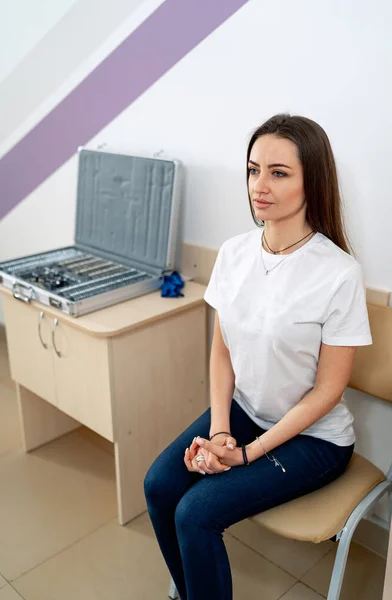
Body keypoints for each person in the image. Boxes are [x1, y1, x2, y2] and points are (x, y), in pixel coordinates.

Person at [144, 113, 372, 600]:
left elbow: (329, 391)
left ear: (314, 179)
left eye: (279, 172)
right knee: (161, 485)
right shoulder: (234, 253)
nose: (259, 185)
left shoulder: (339, 273)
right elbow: (222, 352)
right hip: (246, 414)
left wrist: (246, 454)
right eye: (253, 170)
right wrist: (222, 431)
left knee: (196, 512)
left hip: (314, 438)